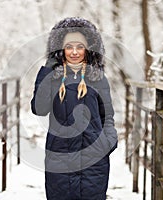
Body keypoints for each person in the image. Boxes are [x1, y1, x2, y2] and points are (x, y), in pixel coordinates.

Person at [31, 17, 118, 200]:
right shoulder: (52, 77)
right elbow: (39, 109)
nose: (75, 52)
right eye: (69, 46)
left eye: (80, 46)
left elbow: (107, 115)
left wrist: (108, 141)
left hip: (94, 158)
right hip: (59, 158)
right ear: (61, 48)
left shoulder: (98, 78)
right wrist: (47, 69)